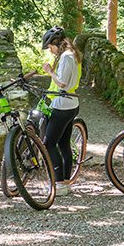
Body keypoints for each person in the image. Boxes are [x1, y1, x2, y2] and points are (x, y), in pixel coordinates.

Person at [40, 26, 81, 197]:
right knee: (64, 143)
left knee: (49, 143)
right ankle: (65, 183)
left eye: (50, 47)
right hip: (72, 103)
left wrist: (50, 71)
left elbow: (62, 83)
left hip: (62, 105)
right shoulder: (73, 54)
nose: (50, 50)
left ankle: (58, 183)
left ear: (57, 43)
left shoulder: (66, 56)